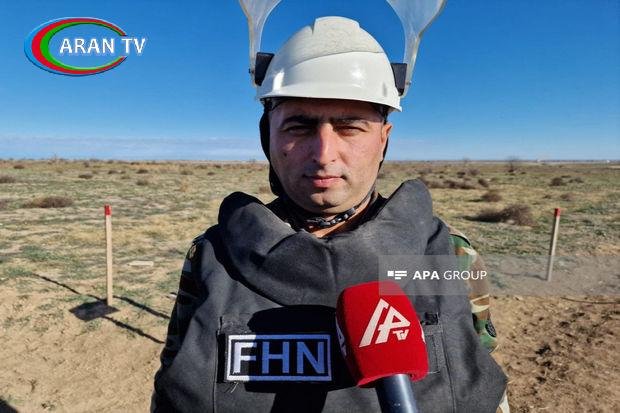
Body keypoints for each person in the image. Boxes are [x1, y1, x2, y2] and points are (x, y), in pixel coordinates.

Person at [152, 16, 508, 412]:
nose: (324, 155)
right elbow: (173, 386)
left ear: (384, 140)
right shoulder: (211, 257)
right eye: (299, 127)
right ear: (267, 136)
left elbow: (479, 378)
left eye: (349, 127)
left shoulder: (451, 257)